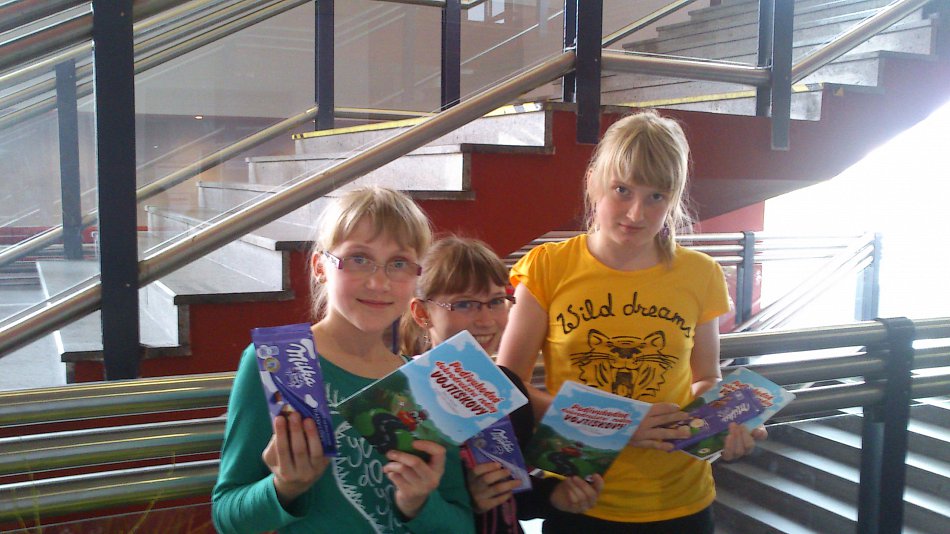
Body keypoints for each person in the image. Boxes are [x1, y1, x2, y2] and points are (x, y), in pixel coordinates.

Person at [496, 110, 766, 534]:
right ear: (594, 183)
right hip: (581, 495)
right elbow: (507, 388)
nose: (636, 213)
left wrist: (721, 423)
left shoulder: (701, 274)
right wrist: (619, 424)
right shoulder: (548, 267)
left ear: (673, 199)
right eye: (622, 190)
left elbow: (705, 377)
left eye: (656, 196)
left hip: (680, 500)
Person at [212, 187, 474, 534]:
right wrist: (285, 487)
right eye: (359, 259)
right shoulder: (281, 362)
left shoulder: (425, 382)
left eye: (398, 263)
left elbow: (461, 524)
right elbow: (228, 516)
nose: (379, 283)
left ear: (416, 277)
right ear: (320, 267)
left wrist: (420, 503)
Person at [400, 236, 604, 534]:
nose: (486, 320)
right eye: (465, 304)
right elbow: (385, 506)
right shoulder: (401, 394)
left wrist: (556, 496)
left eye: (496, 301)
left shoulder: (507, 386)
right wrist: (469, 500)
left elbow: (517, 494)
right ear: (422, 313)